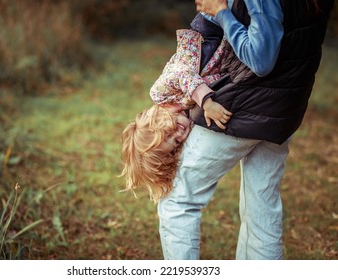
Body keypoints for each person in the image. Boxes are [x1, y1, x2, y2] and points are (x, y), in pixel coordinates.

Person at [158, 0, 334, 259]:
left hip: (239, 106)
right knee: (261, 212)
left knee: (178, 199)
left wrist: (221, 12)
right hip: (284, 109)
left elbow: (261, 58)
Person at [120, 13, 233, 202]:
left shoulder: (159, 93)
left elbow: (184, 73)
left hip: (208, 33)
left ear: (153, 123)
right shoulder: (187, 114)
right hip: (223, 46)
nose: (179, 135)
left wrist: (207, 102)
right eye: (176, 142)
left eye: (168, 134)